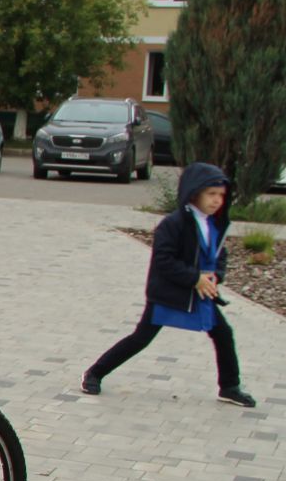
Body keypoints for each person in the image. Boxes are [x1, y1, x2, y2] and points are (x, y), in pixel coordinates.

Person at [83, 161, 252, 406]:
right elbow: (163, 260)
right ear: (195, 193)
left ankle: (229, 386)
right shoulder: (173, 224)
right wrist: (194, 278)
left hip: (199, 294)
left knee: (223, 333)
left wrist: (217, 275)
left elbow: (219, 254)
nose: (217, 200)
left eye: (221, 196)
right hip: (168, 294)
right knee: (141, 338)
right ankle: (95, 373)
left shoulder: (215, 224)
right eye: (211, 194)